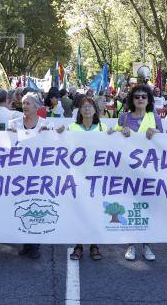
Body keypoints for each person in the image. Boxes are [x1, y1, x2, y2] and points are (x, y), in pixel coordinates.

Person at [112, 84, 161, 262]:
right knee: (131, 206)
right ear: (132, 100)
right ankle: (131, 244)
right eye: (137, 96)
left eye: (144, 96)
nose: (140, 99)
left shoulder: (154, 117)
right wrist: (120, 131)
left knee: (147, 207)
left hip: (149, 170)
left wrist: (155, 131)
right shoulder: (124, 117)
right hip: (129, 170)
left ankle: (147, 244)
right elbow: (114, 139)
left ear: (149, 100)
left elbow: (165, 141)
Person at [7, 93, 50, 259]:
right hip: (18, 175)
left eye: (29, 104)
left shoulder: (46, 124)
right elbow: (5, 146)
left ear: (37, 106)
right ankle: (26, 242)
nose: (25, 106)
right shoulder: (13, 123)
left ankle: (35, 245)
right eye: (23, 103)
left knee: (36, 207)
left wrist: (56, 133)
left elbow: (54, 146)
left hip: (39, 176)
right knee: (22, 207)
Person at [68, 97, 106, 261]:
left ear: (95, 110)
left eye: (90, 106)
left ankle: (94, 245)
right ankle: (78, 245)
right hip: (78, 177)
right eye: (84, 106)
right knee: (79, 212)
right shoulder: (71, 127)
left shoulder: (103, 128)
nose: (87, 109)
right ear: (79, 110)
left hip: (97, 178)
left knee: (95, 212)